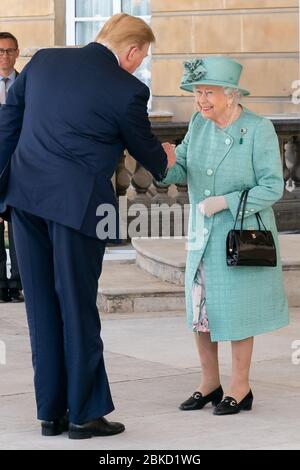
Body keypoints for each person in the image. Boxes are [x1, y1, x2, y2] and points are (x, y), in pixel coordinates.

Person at [0, 14, 175, 439]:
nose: (140, 65)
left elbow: (8, 125)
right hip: (80, 211)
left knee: (40, 309)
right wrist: (166, 155)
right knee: (77, 306)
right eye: (143, 57)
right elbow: (148, 154)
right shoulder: (128, 89)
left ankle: (50, 414)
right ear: (131, 51)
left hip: (26, 202)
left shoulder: (42, 62)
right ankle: (84, 414)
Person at [162, 56, 289, 415]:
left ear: (231, 95)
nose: (200, 101)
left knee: (237, 312)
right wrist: (167, 163)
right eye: (197, 93)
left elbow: (272, 186)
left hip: (240, 236)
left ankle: (240, 386)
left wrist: (226, 202)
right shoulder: (199, 126)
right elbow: (180, 169)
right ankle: (209, 383)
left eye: (208, 93)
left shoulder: (258, 128)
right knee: (200, 310)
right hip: (202, 236)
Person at [0, 32, 23, 303]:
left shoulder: (26, 84)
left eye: (9, 50)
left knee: (19, 226)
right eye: (1, 51)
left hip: (20, 166)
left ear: (17, 53)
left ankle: (17, 282)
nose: (4, 56)